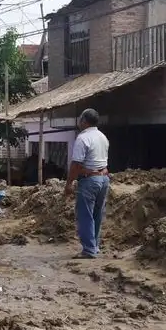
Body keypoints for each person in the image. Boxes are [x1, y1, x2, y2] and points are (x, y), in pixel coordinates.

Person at [64, 108, 110, 259]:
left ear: (84, 121)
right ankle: (94, 247)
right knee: (97, 214)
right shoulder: (102, 137)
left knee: (85, 215)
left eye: (80, 119)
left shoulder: (83, 138)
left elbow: (76, 164)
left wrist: (69, 183)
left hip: (89, 180)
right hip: (103, 178)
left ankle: (89, 250)